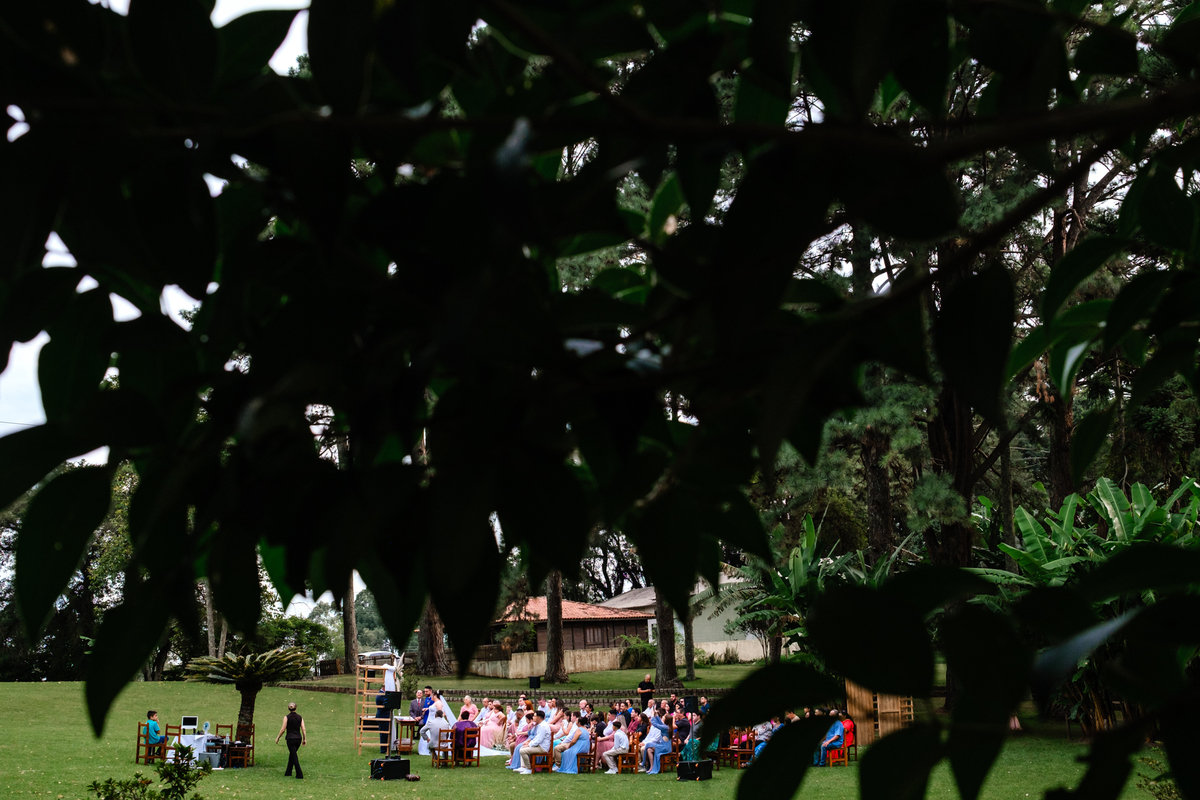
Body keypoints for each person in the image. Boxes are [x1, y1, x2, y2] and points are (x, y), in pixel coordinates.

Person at [274, 702, 306, 779]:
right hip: (298, 739)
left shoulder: (286, 717)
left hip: (290, 739)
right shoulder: (300, 717)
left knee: (294, 755)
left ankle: (299, 774)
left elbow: (283, 729)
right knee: (292, 754)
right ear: (296, 708)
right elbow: (303, 729)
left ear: (288, 708)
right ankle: (288, 772)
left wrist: (278, 737)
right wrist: (304, 739)